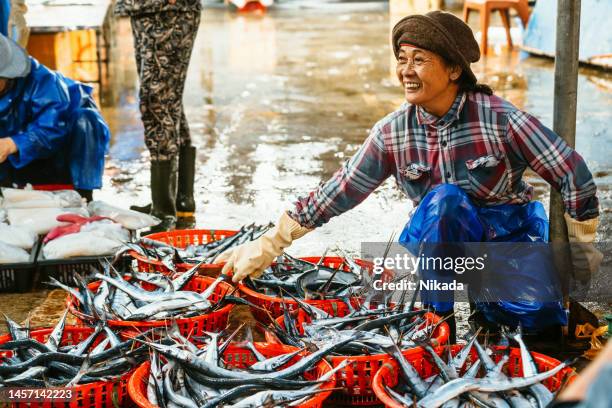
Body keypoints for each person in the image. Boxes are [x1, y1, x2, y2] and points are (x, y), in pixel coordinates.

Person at [216, 11, 601, 341]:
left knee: (542, 319)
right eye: (403, 59)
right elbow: (338, 191)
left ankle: (491, 304)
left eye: (419, 59)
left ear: (453, 69)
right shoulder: (392, 133)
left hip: (506, 235)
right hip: (439, 242)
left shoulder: (499, 118)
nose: (406, 71)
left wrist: (582, 246)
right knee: (443, 203)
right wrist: (269, 244)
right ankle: (439, 321)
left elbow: (572, 171)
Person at [115, 0, 201, 231]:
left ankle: (164, 211)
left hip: (165, 11)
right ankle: (179, 200)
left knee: (156, 103)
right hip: (150, 10)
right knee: (168, 101)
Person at [0, 34, 110, 200]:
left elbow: (52, 129)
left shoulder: (43, 81)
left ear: (7, 75)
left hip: (60, 150)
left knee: (85, 120)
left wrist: (11, 143)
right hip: (18, 159)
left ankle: (83, 196)